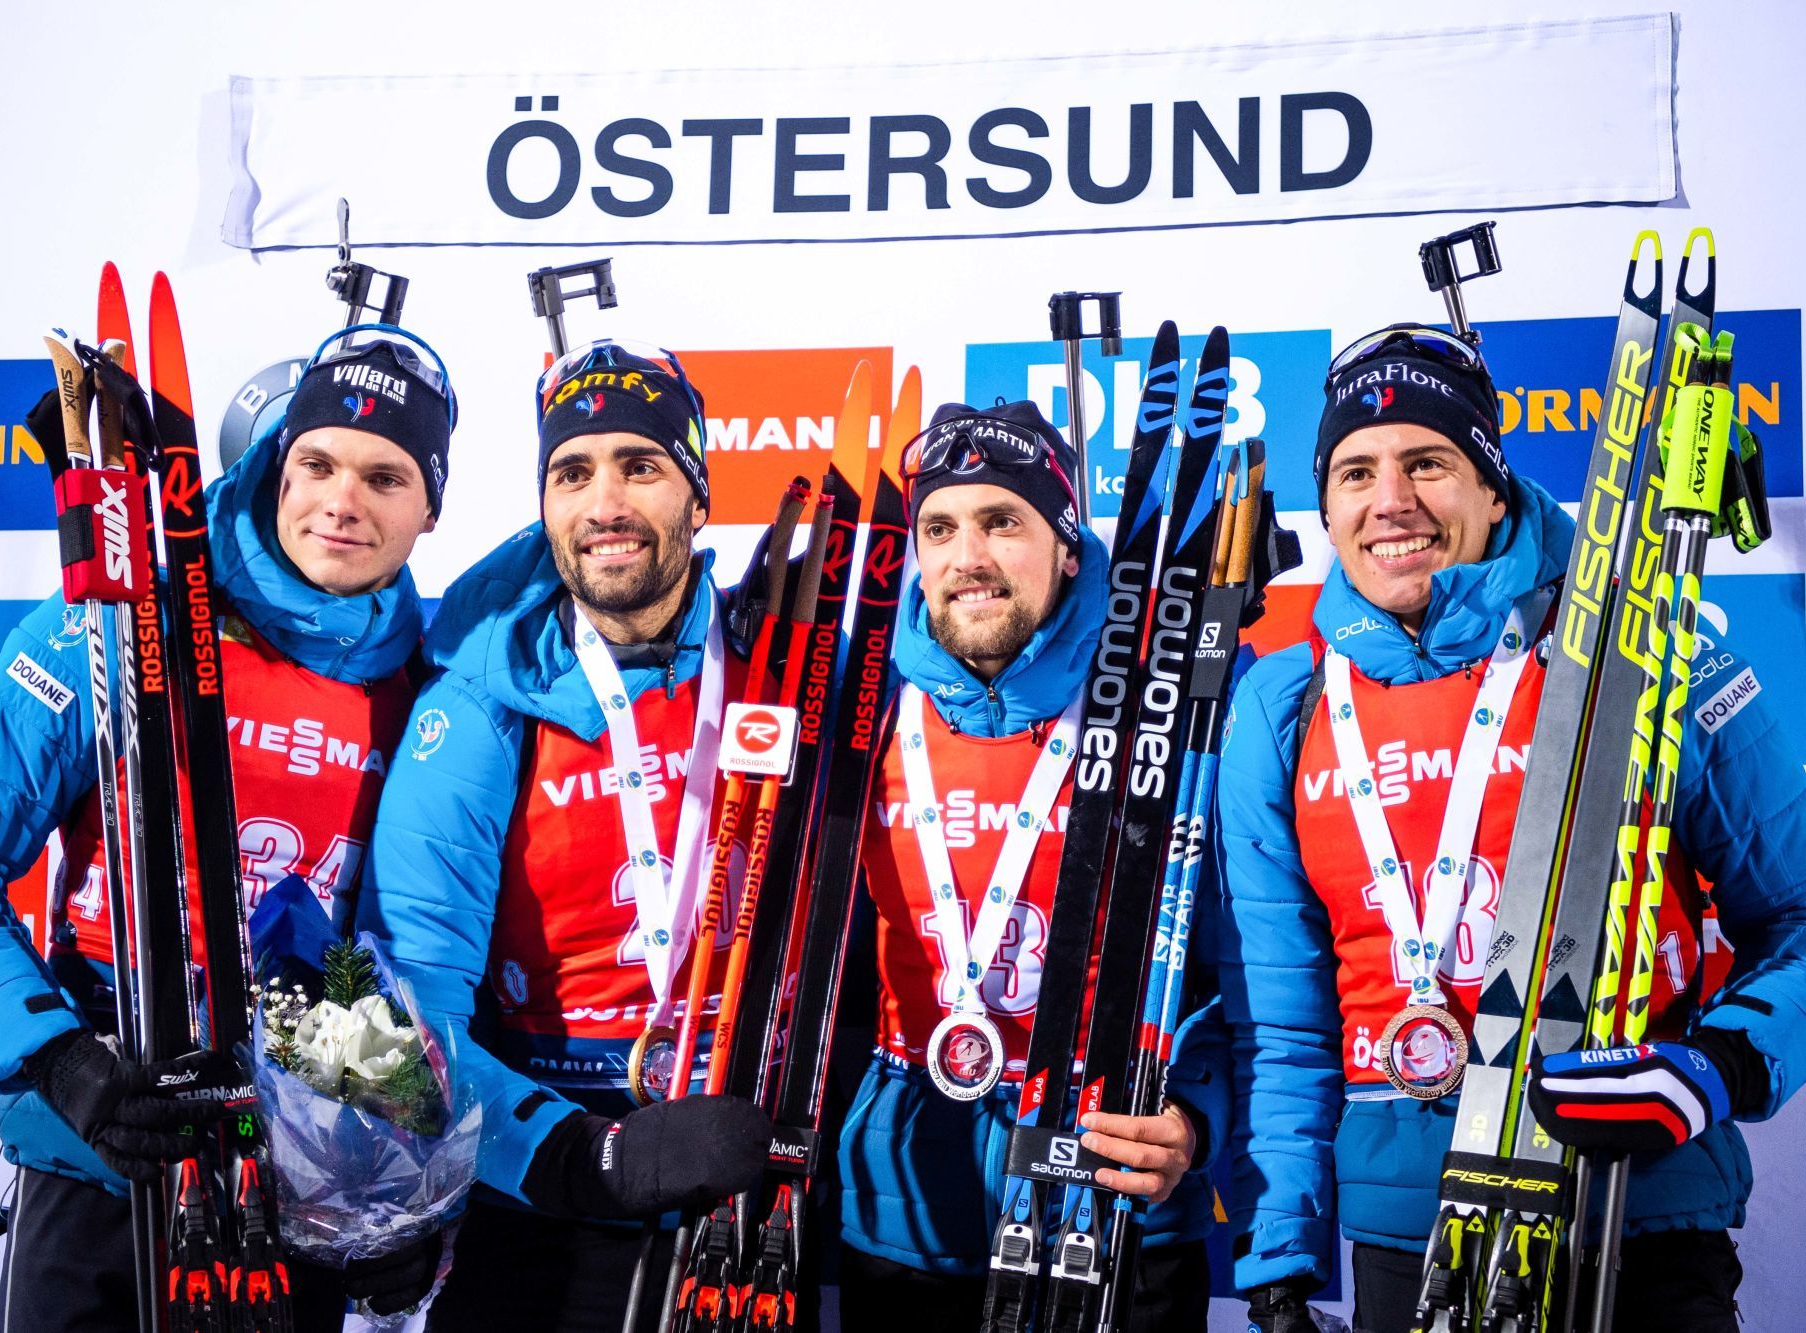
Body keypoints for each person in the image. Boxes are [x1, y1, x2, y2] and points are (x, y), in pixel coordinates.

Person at [1213, 325, 1806, 1332]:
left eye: (1426, 462)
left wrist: (1719, 1065)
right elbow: (1284, 1023)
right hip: (1404, 1234)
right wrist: (1279, 1245)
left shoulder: (1653, 652)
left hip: (1637, 1214)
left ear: (1492, 487)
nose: (1387, 498)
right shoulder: (1283, 702)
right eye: (1353, 470)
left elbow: (1794, 915)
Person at [0, 328, 459, 1330]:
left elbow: (407, 952)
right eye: (315, 462)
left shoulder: (432, 693)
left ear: (428, 508)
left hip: (292, 1180)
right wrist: (59, 1062)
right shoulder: (115, 620)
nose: (341, 500)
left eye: (385, 476)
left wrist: (402, 1176)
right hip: (106, 1152)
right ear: (278, 465)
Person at [358, 341, 775, 1332]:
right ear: (542, 505)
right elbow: (400, 1011)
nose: (605, 504)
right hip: (543, 1181)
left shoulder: (783, 667)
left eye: (642, 466)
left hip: (748, 1171)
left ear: (698, 494)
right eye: (572, 472)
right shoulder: (478, 702)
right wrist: (584, 1158)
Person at [836, 400, 1228, 1331]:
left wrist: (1195, 1116)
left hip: (1112, 1210)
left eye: (1001, 521)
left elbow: (1251, 970)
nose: (966, 556)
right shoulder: (857, 704)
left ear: (1066, 546)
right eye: (939, 527)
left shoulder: (1177, 704)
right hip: (903, 1212)